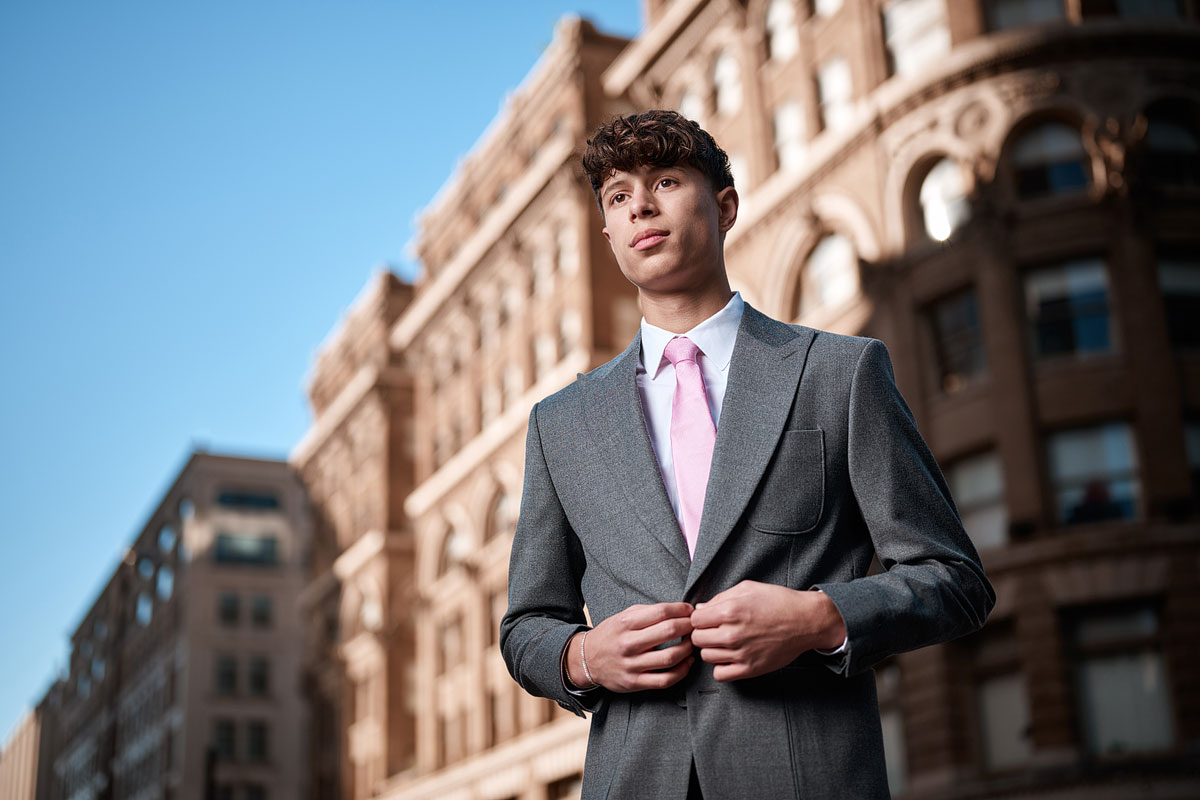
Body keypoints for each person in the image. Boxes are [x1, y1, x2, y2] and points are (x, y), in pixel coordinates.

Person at [499, 110, 994, 800]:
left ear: (725, 206)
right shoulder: (561, 424)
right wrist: (583, 656)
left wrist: (820, 618)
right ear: (608, 233)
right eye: (617, 196)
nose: (640, 204)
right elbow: (526, 625)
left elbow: (956, 580)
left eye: (665, 181)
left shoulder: (838, 373)